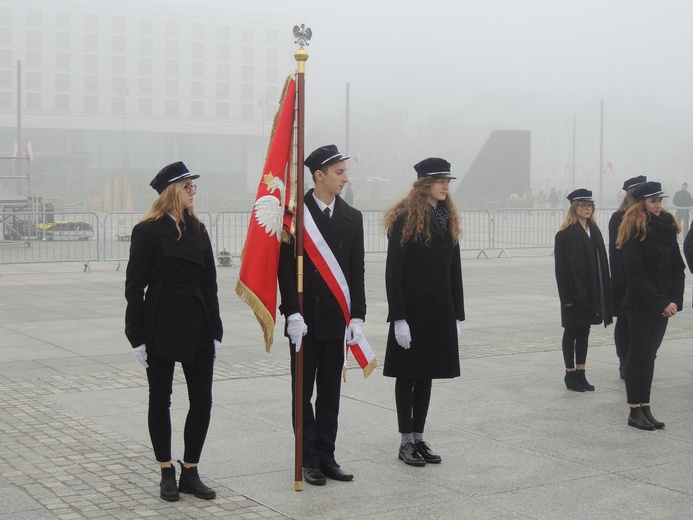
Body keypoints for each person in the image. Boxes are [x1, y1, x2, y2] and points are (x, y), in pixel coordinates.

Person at [125, 161, 223, 501]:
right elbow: (134, 288)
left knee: (203, 401)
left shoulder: (198, 229)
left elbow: (210, 283)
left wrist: (216, 330)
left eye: (193, 187)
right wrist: (135, 336)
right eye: (187, 187)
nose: (193, 192)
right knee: (160, 399)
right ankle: (166, 470)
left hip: (197, 322)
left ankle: (191, 471)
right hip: (161, 322)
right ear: (172, 192)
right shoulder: (147, 231)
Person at [277, 144, 366, 486]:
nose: (345, 178)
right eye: (339, 172)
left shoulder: (352, 217)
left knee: (330, 392)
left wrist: (357, 315)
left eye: (345, 171)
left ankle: (327, 456)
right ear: (319, 176)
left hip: (337, 320)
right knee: (303, 393)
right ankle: (308, 458)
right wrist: (292, 314)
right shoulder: (294, 217)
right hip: (305, 322)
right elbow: (285, 271)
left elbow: (355, 271)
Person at [383, 157, 464, 467]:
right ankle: (405, 440)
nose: (446, 186)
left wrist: (457, 313)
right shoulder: (405, 217)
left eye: (448, 181)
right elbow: (394, 271)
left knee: (427, 374)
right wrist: (399, 317)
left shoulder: (445, 215)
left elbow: (453, 269)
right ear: (424, 184)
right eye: (440, 180)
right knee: (407, 375)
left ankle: (419, 436)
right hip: (413, 310)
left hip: (439, 310)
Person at [616, 181, 684, 430]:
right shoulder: (634, 228)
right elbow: (636, 274)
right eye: (653, 201)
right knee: (637, 356)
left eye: (660, 201)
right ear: (642, 202)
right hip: (641, 304)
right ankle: (634, 411)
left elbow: (678, 267)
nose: (658, 206)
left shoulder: (666, 227)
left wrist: (675, 300)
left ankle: (646, 407)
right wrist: (661, 302)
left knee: (650, 357)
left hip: (664, 304)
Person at [554, 189, 612, 392]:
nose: (588, 209)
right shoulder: (564, 234)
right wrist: (566, 297)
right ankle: (569, 373)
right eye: (583, 205)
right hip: (573, 292)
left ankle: (581, 372)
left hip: (591, 291)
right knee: (571, 331)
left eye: (590, 205)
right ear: (574, 207)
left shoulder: (594, 230)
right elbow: (560, 269)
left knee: (585, 332)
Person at [608, 175, 646, 380]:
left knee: (641, 323)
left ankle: (640, 359)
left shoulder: (649, 216)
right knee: (624, 322)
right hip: (625, 282)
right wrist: (621, 282)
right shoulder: (619, 217)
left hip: (643, 281)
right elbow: (615, 253)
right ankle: (624, 361)